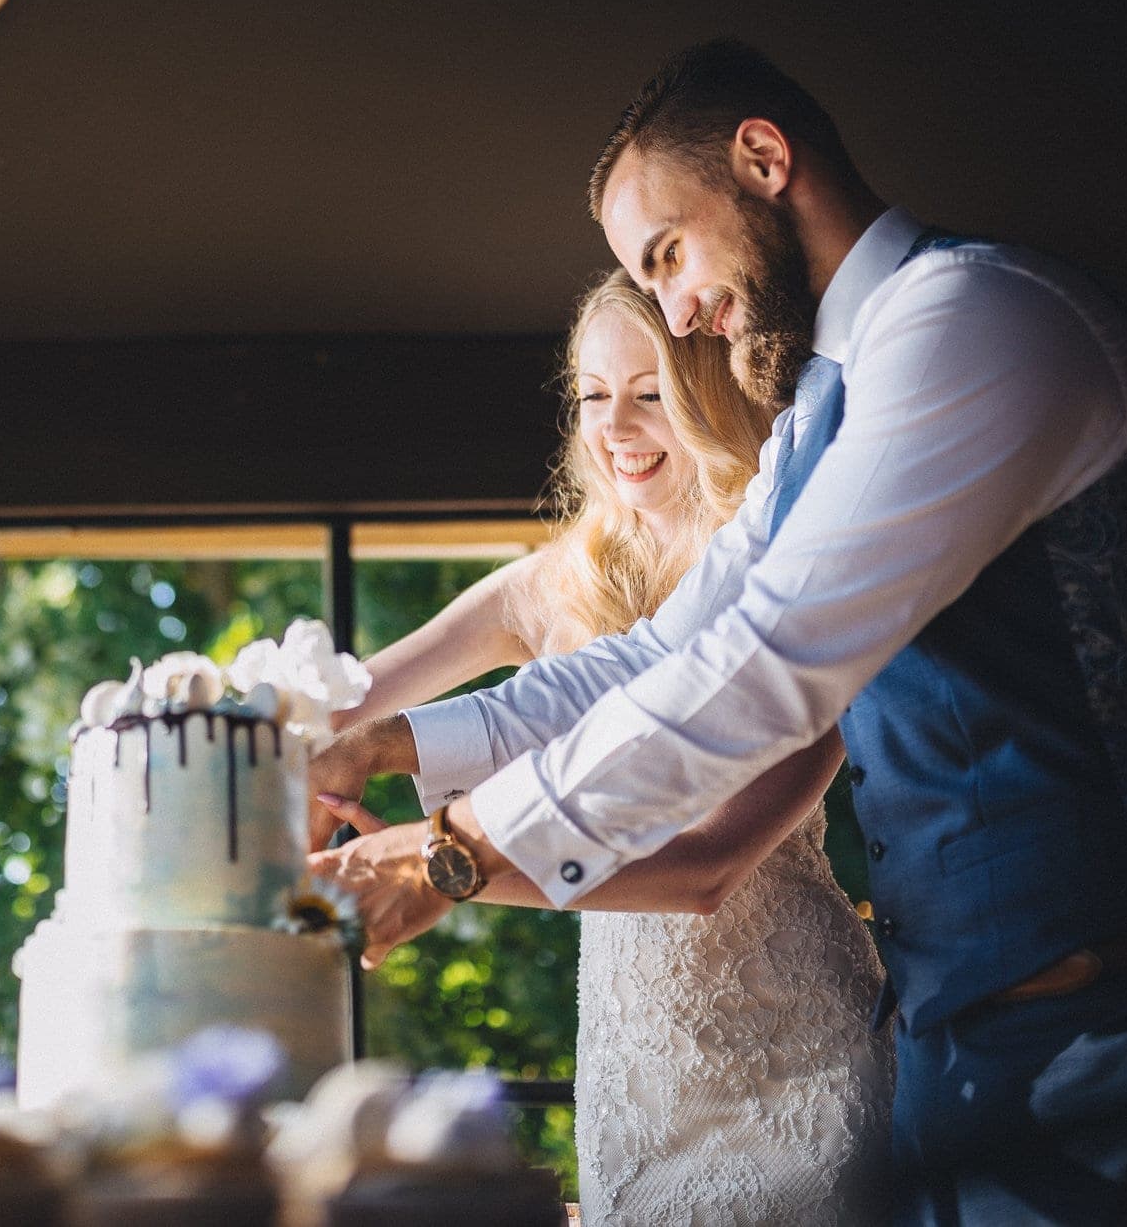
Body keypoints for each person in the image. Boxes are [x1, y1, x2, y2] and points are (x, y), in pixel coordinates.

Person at [308, 40, 1127, 1222]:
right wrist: (382, 747)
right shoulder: (823, 400)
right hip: (952, 1033)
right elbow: (666, 650)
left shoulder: (974, 319)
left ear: (763, 159)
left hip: (1126, 1025)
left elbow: (764, 663)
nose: (675, 311)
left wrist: (447, 853)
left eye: (668, 255)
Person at [317, 268, 891, 1223]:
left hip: (800, 1055)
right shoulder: (549, 589)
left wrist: (430, 866)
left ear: (711, 396)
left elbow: (707, 863)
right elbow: (348, 711)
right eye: (592, 397)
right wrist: (246, 749)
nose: (615, 428)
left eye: (649, 394)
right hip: (635, 1063)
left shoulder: (794, 573)